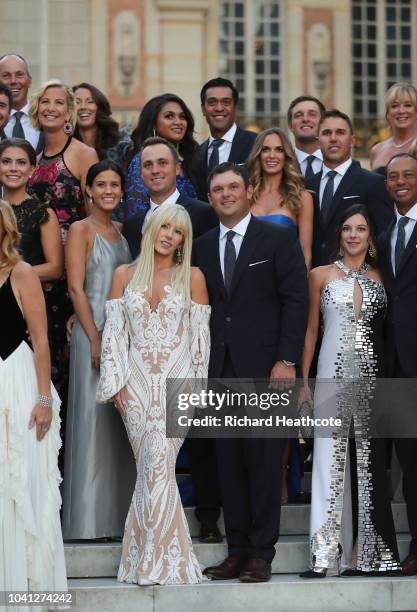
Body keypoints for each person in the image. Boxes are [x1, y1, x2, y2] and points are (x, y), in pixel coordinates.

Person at [194, 162, 308, 583]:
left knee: (262, 464)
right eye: (218, 189)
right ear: (210, 198)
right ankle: (237, 550)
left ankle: (261, 552)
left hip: (266, 368)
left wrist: (287, 360)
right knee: (229, 464)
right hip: (218, 370)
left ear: (246, 192)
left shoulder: (277, 238)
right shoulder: (202, 245)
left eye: (233, 187)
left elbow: (296, 302)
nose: (225, 194)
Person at [96, 203, 210, 584]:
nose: (169, 235)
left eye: (177, 231)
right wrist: (116, 383)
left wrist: (196, 391)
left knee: (159, 462)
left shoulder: (192, 276)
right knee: (150, 466)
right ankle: (154, 557)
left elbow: (200, 343)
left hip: (178, 384)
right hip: (136, 385)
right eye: (164, 227)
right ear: (150, 230)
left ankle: (148, 562)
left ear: (183, 239)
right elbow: (114, 335)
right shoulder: (123, 275)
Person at [299, 204, 400, 578]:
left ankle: (364, 555)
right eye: (347, 229)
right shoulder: (320, 276)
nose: (354, 235)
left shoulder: (382, 278)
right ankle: (323, 557)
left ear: (371, 236)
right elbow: (311, 331)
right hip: (330, 374)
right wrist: (305, 383)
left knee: (370, 466)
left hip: (374, 378)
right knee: (328, 460)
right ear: (339, 235)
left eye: (360, 229)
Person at [62, 160, 136, 539]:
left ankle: (116, 517)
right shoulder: (80, 230)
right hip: (91, 335)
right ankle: (87, 522)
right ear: (88, 190)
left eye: (114, 185)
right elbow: (76, 286)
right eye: (100, 185)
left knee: (117, 426)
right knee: (90, 422)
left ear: (122, 191)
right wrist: (93, 336)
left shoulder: (123, 233)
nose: (108, 191)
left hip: (122, 340)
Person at [0, 199, 67, 599]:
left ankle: (26, 587)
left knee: (22, 480)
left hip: (20, 382)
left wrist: (44, 399)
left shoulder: (22, 273)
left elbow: (41, 340)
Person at [27, 79, 98, 396]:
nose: (51, 108)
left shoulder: (83, 154)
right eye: (45, 101)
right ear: (36, 109)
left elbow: (94, 216)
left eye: (58, 102)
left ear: (69, 111)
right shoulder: (34, 159)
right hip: (38, 270)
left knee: (68, 364)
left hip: (71, 269)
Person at [379, 153, 417, 576]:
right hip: (396, 368)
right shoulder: (386, 233)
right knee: (411, 464)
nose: (401, 182)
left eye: (409, 175)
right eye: (393, 177)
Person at [306, 109, 395, 268]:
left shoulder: (373, 183)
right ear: (318, 141)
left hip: (356, 282)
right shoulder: (306, 185)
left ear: (352, 140)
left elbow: (384, 239)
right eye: (327, 133)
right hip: (313, 282)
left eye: (340, 132)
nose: (333, 138)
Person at [122, 136, 217, 259]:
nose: (155, 170)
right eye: (148, 165)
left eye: (162, 163)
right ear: (141, 173)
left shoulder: (203, 214)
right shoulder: (131, 225)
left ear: (177, 168)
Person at [247, 127, 313, 270]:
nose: (272, 155)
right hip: (248, 276)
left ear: (286, 156)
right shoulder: (247, 193)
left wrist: (300, 288)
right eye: (265, 149)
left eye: (279, 150)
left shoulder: (301, 196)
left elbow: (305, 253)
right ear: (258, 154)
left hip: (285, 275)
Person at [123, 94, 198, 219]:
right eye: (169, 116)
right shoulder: (141, 161)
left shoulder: (187, 160)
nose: (178, 122)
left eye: (182, 117)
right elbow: (137, 215)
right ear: (153, 123)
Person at [0, 138, 63, 280]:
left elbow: (55, 268)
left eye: (21, 162)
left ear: (32, 169)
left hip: (26, 297)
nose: (13, 168)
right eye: (6, 161)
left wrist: (7, 274)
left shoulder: (43, 213)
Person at [192, 77, 257, 201]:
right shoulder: (195, 155)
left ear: (236, 108)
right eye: (212, 102)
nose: (219, 108)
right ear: (203, 109)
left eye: (226, 102)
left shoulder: (256, 144)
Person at [73, 82, 131, 167]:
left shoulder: (120, 143)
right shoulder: (64, 144)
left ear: (99, 107)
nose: (83, 107)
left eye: (90, 101)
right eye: (77, 102)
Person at [370, 82, 417, 175]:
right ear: (388, 113)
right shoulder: (376, 150)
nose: (401, 111)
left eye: (408, 105)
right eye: (395, 106)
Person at [0, 54, 44, 152]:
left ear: (29, 81)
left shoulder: (45, 117)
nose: (13, 81)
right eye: (6, 76)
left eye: (19, 74)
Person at [287, 95, 326, 179]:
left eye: (312, 114)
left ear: (324, 123)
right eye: (298, 115)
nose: (305, 119)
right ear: (290, 126)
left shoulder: (339, 164)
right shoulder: (282, 165)